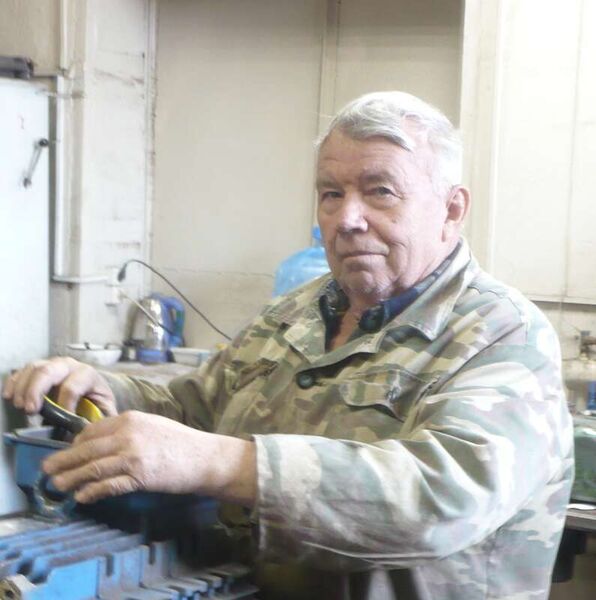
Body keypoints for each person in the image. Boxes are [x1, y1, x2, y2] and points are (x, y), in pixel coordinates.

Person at [3, 91, 574, 600]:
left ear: (451, 210)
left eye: (380, 192)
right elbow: (195, 408)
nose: (347, 219)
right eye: (331, 194)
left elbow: (440, 499)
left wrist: (220, 462)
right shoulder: (296, 311)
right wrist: (108, 393)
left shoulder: (502, 335)